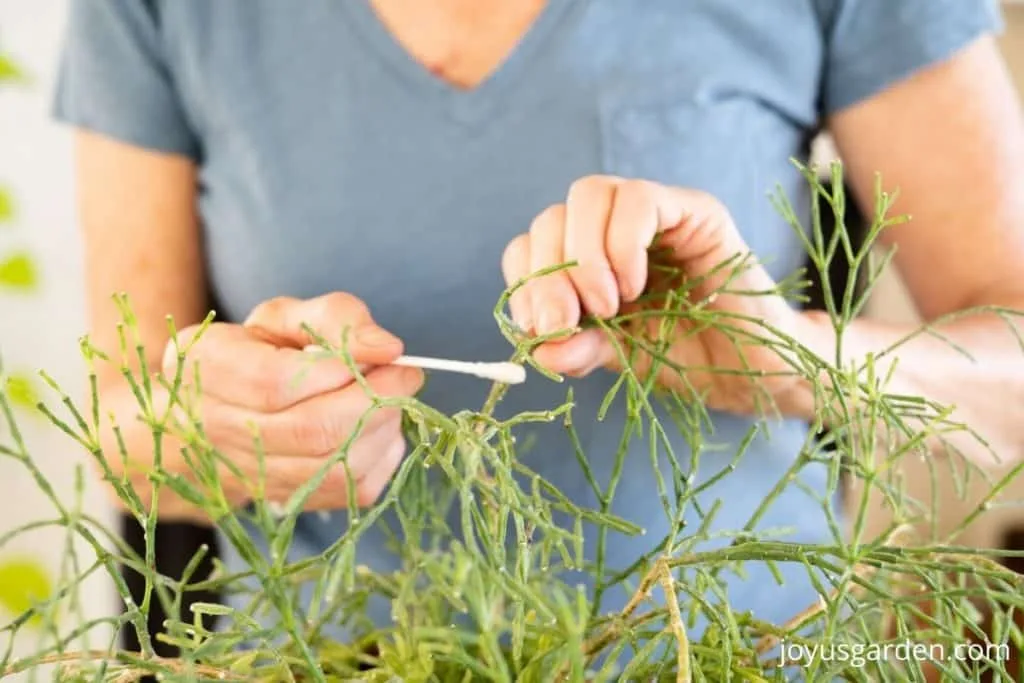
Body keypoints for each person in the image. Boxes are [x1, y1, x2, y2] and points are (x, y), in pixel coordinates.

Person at [54, 0, 1024, 657]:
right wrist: (211, 422)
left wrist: (790, 358)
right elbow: (123, 425)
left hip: (745, 652)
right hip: (331, 657)